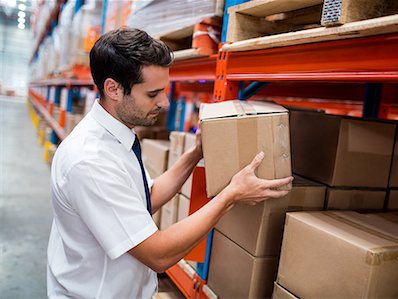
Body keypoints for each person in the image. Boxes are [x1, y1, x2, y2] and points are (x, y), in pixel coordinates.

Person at [47, 27, 293, 299]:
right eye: (153, 94)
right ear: (113, 89)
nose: (164, 102)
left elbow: (146, 197)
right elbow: (158, 254)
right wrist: (231, 195)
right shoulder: (90, 161)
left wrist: (196, 153)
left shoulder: (115, 136)